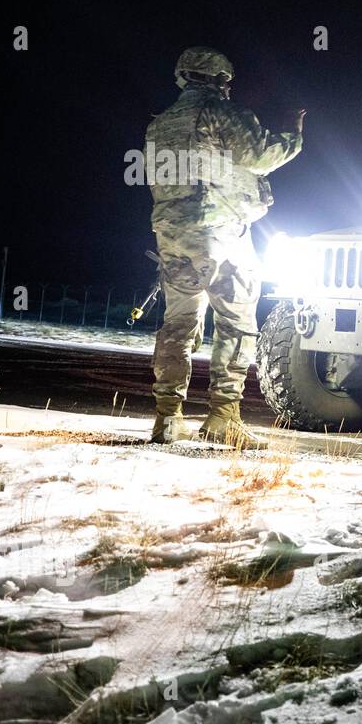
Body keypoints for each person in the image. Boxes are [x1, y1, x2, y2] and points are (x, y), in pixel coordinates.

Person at [145, 46, 303, 447]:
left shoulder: (160, 124)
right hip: (222, 233)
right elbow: (261, 155)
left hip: (172, 236)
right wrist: (293, 134)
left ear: (182, 77)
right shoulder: (222, 112)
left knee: (178, 326)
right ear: (221, 80)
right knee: (235, 325)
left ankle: (166, 418)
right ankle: (223, 418)